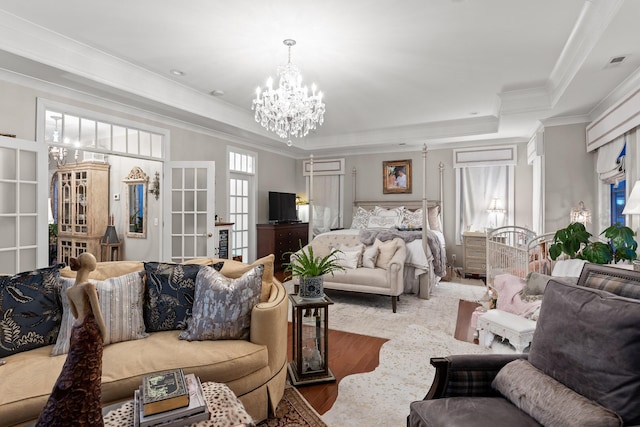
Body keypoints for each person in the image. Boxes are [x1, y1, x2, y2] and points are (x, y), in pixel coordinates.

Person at [36, 253, 106, 427]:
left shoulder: (70, 290)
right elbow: (97, 316)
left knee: (72, 371)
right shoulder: (88, 287)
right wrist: (103, 334)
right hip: (90, 332)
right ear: (89, 265)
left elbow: (75, 315)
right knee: (90, 377)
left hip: (77, 330)